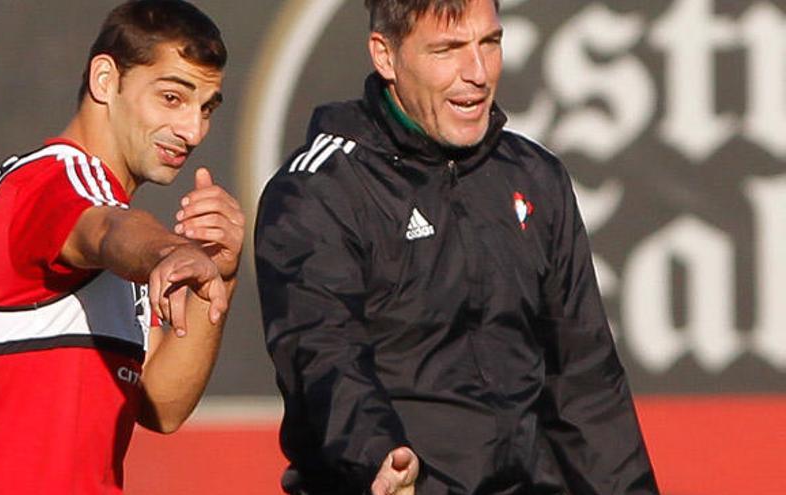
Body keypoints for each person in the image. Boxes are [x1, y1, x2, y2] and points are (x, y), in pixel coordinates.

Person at [254, 0, 659, 493]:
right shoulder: (321, 189)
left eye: (490, 43)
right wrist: (379, 457)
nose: (478, 73)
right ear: (386, 56)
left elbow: (585, 383)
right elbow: (321, 355)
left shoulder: (535, 177)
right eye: (447, 49)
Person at [0, 1, 245, 493]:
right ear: (105, 80)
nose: (194, 131)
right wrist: (169, 252)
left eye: (206, 108)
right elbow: (106, 231)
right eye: (172, 98)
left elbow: (163, 404)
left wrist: (220, 274)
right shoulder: (51, 180)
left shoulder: (103, 211)